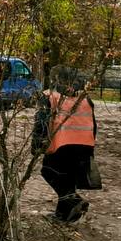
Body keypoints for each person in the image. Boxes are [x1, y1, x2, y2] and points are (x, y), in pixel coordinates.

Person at [33, 68, 96, 223]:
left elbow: (41, 121)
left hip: (61, 143)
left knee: (48, 171)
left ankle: (74, 201)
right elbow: (94, 124)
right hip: (84, 144)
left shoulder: (49, 96)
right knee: (68, 178)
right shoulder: (85, 98)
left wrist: (36, 144)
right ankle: (64, 216)